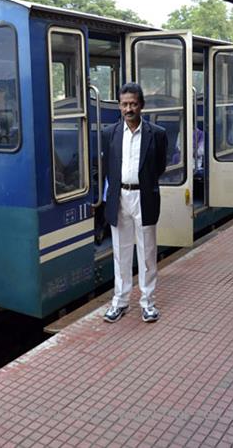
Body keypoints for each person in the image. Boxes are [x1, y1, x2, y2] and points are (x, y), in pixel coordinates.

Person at [102, 82, 167, 323]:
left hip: (144, 197)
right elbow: (108, 168)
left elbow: (159, 166)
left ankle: (148, 303)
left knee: (147, 252)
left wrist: (145, 186)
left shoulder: (157, 134)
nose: (128, 108)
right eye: (124, 104)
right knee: (121, 252)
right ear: (119, 106)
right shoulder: (109, 133)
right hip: (119, 198)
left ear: (141, 106)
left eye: (133, 104)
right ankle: (120, 302)